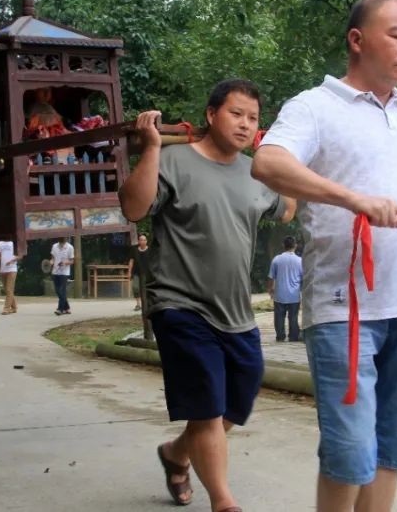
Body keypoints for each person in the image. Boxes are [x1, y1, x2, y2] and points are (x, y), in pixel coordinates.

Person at [253, 0, 397, 512]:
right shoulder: (314, 106)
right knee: (350, 453)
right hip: (344, 310)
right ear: (357, 40)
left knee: (392, 451)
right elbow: (268, 163)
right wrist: (353, 199)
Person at [119, 79, 296, 512]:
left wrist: (287, 159)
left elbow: (287, 208)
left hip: (235, 313)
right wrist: (153, 148)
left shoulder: (255, 171)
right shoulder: (174, 160)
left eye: (253, 119)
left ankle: (176, 453)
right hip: (180, 304)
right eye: (236, 113)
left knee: (240, 397)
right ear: (211, 114)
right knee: (207, 409)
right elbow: (133, 208)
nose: (245, 124)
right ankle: (224, 502)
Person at [267, 236, 302, 343]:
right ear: (295, 246)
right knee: (293, 317)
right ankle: (293, 336)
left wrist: (270, 289)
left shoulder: (277, 259)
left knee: (279, 318)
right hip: (294, 296)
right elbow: (304, 278)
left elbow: (271, 277)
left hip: (280, 295)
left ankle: (280, 336)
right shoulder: (300, 261)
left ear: (283, 245)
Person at [48, 237, 75, 315]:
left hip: (64, 272)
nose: (61, 243)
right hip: (55, 271)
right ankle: (67, 307)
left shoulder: (70, 247)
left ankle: (60, 309)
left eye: (63, 241)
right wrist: (51, 262)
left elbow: (72, 261)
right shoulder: (54, 246)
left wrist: (65, 263)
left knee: (61, 290)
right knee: (57, 291)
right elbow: (52, 258)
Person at [0, 240, 20, 315]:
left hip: (12, 269)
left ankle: (6, 308)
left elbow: (20, 255)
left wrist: (12, 261)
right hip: (3, 269)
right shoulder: (0, 243)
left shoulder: (14, 242)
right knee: (7, 290)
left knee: (9, 289)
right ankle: (14, 307)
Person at [128, 233, 149, 312]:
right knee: (135, 288)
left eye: (144, 240)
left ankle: (145, 305)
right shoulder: (135, 250)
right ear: (139, 241)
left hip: (146, 273)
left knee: (144, 289)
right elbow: (131, 261)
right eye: (141, 240)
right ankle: (138, 304)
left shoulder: (150, 250)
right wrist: (129, 272)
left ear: (146, 241)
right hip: (136, 272)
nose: (143, 241)